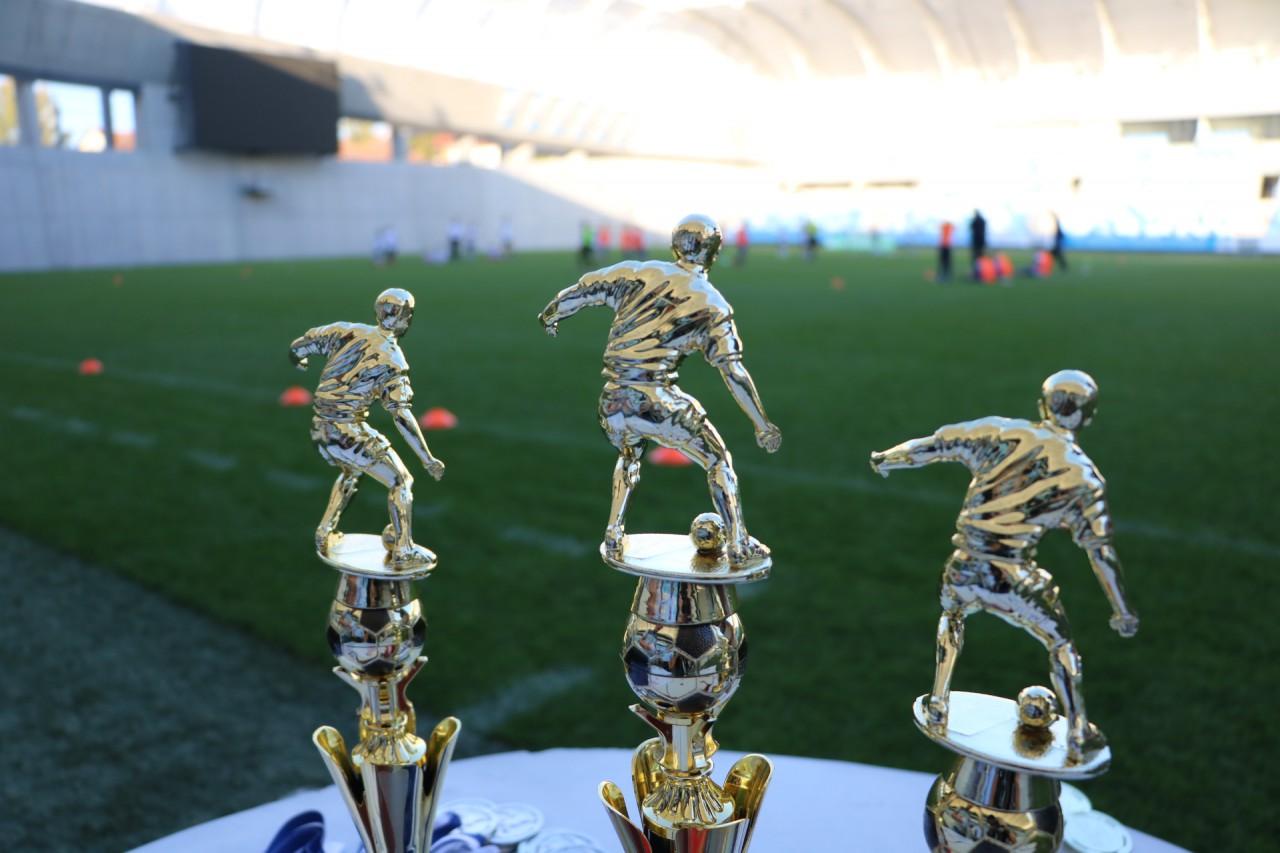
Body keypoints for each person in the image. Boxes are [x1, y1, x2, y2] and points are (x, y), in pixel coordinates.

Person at [870, 370, 1138, 763]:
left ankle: (939, 700)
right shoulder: (1084, 478)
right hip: (1011, 577)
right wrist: (1122, 609)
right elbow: (1101, 552)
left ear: (1042, 405)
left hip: (962, 567)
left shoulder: (1001, 431)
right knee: (1060, 643)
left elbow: (935, 444)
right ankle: (1079, 732)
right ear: (1088, 416)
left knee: (953, 615)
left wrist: (887, 458)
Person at [538, 214, 782, 567]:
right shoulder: (711, 304)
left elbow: (585, 288)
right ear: (714, 254)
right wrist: (761, 424)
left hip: (611, 401)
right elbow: (732, 371)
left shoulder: (639, 272)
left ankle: (613, 532)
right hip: (654, 400)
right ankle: (739, 544)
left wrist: (552, 314)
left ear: (674, 245)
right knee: (717, 460)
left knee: (629, 455)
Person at [289, 288, 446, 569]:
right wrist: (427, 459)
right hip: (346, 430)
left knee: (351, 471)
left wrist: (299, 359)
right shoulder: (393, 361)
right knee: (401, 481)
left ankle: (324, 531)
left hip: (319, 429)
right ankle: (403, 550)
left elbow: (301, 345)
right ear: (405, 318)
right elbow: (401, 415)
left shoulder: (347, 331)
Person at [968, 209, 987, 277]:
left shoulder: (974, 220)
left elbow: (970, 227)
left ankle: (976, 272)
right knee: (981, 257)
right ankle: (983, 271)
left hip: (976, 242)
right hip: (981, 241)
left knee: (975, 258)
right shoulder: (983, 220)